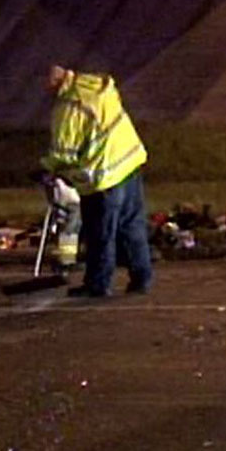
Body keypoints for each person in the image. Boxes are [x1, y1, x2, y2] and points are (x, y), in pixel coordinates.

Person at [41, 65, 152, 297]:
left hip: (104, 177)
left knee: (100, 233)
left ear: (54, 83)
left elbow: (63, 153)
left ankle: (98, 284)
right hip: (129, 163)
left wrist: (47, 169)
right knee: (132, 226)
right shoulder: (98, 86)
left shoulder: (68, 107)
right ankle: (142, 278)